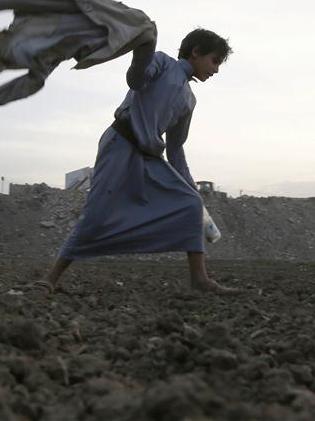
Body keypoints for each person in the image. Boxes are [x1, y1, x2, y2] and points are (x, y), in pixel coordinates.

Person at [30, 28, 237, 295]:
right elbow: (136, 79)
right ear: (196, 52)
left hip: (149, 158)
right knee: (98, 210)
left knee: (190, 203)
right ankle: (50, 278)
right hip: (120, 143)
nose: (216, 70)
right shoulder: (162, 62)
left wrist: (190, 188)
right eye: (215, 61)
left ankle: (199, 280)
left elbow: (176, 150)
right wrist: (145, 47)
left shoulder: (189, 100)